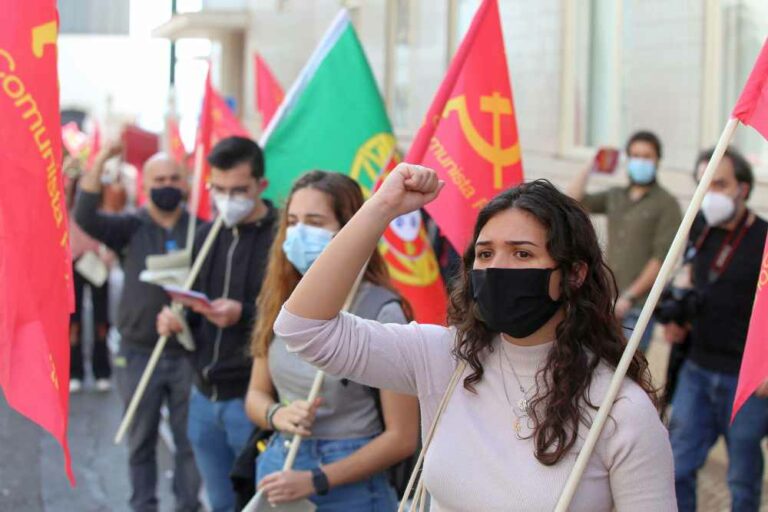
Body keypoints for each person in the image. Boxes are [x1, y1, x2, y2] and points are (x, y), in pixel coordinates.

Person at [270, 165, 676, 511]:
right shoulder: (444, 358)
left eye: (522, 254)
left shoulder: (621, 410)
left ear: (573, 274)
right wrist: (381, 208)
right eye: (484, 254)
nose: (497, 268)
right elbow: (304, 329)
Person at [243, 170, 419, 510]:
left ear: (351, 229)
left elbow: (402, 438)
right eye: (292, 221)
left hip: (350, 484)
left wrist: (316, 480)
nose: (299, 233)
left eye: (314, 221)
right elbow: (255, 394)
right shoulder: (281, 298)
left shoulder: (380, 310)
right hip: (280, 464)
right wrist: (277, 414)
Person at [75, 143, 201, 512]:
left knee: (187, 442)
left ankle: (187, 505)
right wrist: (99, 162)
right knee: (141, 440)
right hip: (138, 354)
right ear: (145, 185)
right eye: (159, 179)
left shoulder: (203, 231)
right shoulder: (130, 226)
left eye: (174, 178)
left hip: (187, 355)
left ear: (186, 184)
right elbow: (85, 215)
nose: (167, 184)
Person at [157, 136, 276, 512]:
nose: (228, 199)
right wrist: (176, 317)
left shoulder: (282, 238)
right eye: (218, 189)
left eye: (238, 190)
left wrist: (242, 312)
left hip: (251, 397)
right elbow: (195, 302)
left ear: (261, 185)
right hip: (203, 394)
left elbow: (295, 315)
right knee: (220, 501)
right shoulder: (208, 235)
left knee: (256, 502)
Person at [662, 147, 768, 512]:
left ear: (742, 188)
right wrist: (679, 319)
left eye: (719, 184)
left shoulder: (764, 238)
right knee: (677, 467)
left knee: (742, 480)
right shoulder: (699, 231)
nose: (710, 194)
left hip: (746, 382)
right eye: (704, 184)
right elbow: (694, 287)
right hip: (696, 367)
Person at [568, 131, 681, 351]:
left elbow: (661, 258)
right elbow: (573, 200)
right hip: (606, 299)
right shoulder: (615, 195)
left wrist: (629, 296)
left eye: (647, 156)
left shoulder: (666, 204)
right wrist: (591, 165)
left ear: (657, 160)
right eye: (635, 156)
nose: (641, 161)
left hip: (637, 306)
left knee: (628, 369)